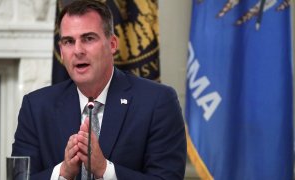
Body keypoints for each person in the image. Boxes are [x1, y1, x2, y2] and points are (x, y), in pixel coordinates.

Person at [12, 0, 187, 179]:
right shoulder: (36, 107)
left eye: (88, 38)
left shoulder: (158, 102)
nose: (78, 50)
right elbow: (18, 177)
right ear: (61, 51)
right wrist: (62, 173)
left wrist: (105, 170)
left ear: (112, 44)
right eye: (68, 41)